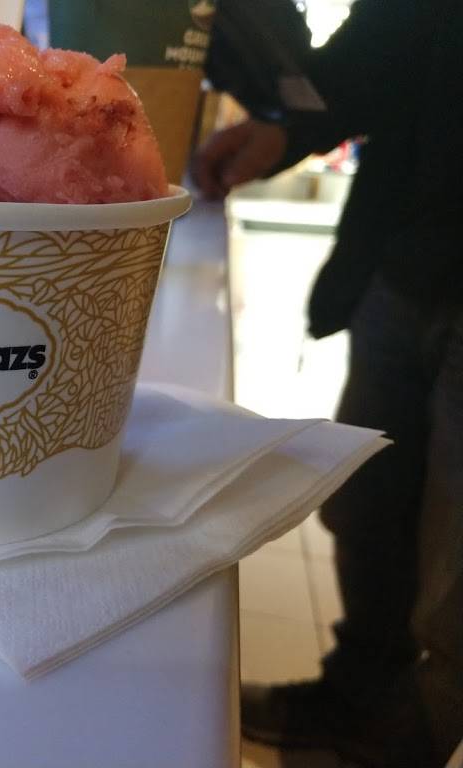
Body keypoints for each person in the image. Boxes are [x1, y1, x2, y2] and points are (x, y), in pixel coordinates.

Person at [193, 0, 462, 766]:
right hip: (404, 261)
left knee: (455, 576)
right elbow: (392, 41)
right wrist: (287, 126)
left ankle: (416, 740)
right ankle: (358, 694)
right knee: (366, 504)